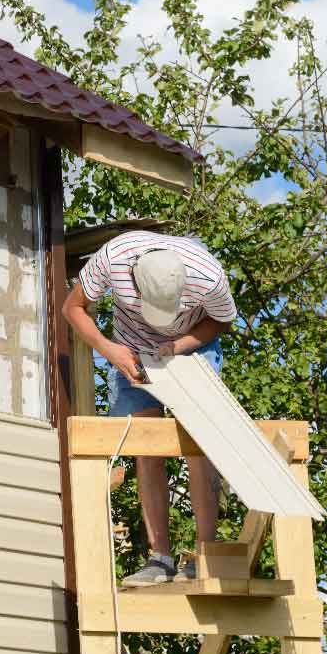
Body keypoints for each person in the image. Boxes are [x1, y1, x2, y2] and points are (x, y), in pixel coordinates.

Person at [61, 230, 238, 588]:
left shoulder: (209, 275)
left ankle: (206, 553)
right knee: (146, 444)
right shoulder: (114, 259)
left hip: (191, 347)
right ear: (134, 284)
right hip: (130, 351)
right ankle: (160, 559)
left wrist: (182, 344)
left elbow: (222, 320)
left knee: (199, 440)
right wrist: (108, 349)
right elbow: (72, 307)